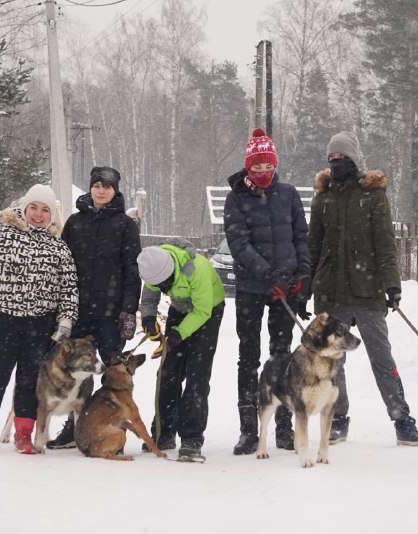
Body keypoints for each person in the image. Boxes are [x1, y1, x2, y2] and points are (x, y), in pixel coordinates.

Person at [309, 130, 418, 446]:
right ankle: (338, 420)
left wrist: (392, 285)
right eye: (331, 159)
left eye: (341, 158)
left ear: (353, 159)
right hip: (332, 294)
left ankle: (403, 420)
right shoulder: (322, 199)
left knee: (382, 358)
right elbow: (312, 247)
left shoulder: (373, 196)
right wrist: (303, 288)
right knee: (334, 361)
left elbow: (385, 245)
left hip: (368, 292)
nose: (336, 163)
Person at [0, 184, 78, 454]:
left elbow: (69, 288)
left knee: (29, 381)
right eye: (34, 207)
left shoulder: (58, 247)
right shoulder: (1, 233)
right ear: (24, 208)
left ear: (51, 215)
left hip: (40, 324)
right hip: (3, 320)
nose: (38, 214)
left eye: (45, 209)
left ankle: (23, 434)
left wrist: (65, 321)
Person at [223, 128, 311, 455]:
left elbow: (302, 237)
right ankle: (249, 428)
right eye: (257, 167)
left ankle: (284, 428)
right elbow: (239, 243)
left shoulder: (288, 195)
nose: (263, 173)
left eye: (267, 166)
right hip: (250, 288)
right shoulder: (236, 198)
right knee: (248, 357)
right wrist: (266, 272)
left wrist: (303, 274)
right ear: (248, 167)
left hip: (284, 289)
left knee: (283, 357)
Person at [45, 166, 142, 449]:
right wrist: (61, 307)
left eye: (107, 186)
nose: (101, 190)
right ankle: (75, 428)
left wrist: (127, 310)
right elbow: (62, 267)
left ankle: (114, 426)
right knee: (77, 373)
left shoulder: (125, 225)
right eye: (97, 185)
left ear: (115, 191)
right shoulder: (75, 223)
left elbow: (132, 271)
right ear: (90, 188)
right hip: (79, 311)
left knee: (114, 375)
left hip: (109, 315)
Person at [137, 239, 225, 459]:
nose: (164, 289)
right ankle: (163, 432)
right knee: (167, 373)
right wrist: (148, 319)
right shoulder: (153, 267)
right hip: (180, 309)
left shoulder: (196, 269)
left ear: (172, 270)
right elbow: (149, 298)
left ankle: (192, 437)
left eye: (166, 284)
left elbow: (202, 311)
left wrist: (176, 336)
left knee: (197, 374)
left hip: (208, 311)